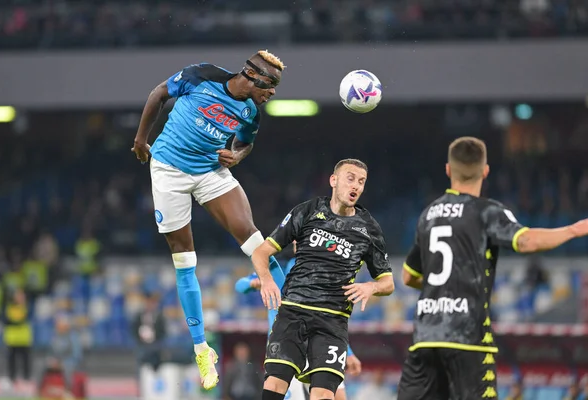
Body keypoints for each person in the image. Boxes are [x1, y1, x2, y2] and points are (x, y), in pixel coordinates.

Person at [131, 50, 287, 389]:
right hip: (169, 170)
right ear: (255, 77)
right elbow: (159, 93)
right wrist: (141, 139)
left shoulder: (251, 111)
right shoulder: (202, 75)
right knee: (185, 259)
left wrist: (236, 155)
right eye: (271, 86)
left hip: (209, 171)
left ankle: (283, 342)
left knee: (257, 243)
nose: (272, 94)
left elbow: (244, 144)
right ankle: (202, 349)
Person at [397, 136, 588, 400]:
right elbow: (526, 240)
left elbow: (408, 276)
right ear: (485, 171)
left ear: (448, 170)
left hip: (426, 337)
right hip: (467, 338)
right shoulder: (486, 211)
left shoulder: (428, 214)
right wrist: (572, 230)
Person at [251, 159, 395, 400]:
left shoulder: (369, 229)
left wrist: (371, 286)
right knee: (275, 384)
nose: (356, 186)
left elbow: (388, 282)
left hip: (332, 321)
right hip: (293, 313)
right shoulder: (306, 211)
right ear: (333, 180)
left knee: (324, 395)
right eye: (350, 178)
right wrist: (266, 280)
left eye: (361, 182)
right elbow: (261, 252)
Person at [235, 241, 363, 400]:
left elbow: (329, 321)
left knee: (337, 395)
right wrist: (254, 282)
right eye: (295, 239)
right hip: (287, 343)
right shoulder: (278, 270)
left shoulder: (323, 272)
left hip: (318, 342)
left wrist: (348, 352)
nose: (296, 242)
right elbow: (240, 285)